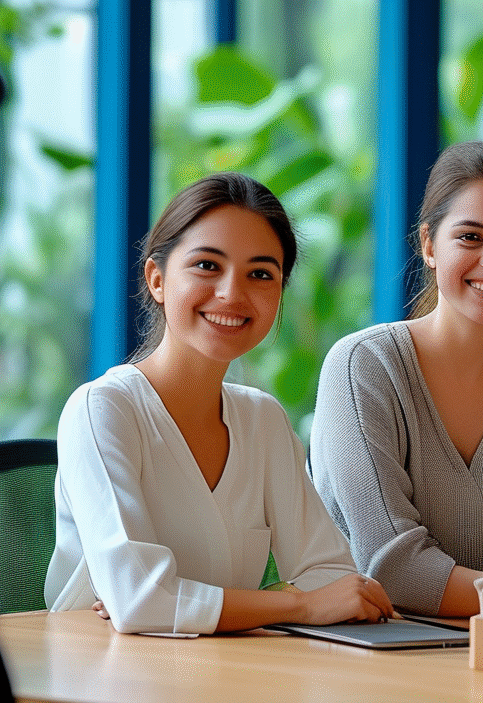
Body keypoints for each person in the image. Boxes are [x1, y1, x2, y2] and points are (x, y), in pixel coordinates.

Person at [45, 173, 394, 635]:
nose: (232, 293)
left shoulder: (262, 419)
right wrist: (300, 605)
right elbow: (141, 602)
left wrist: (183, 600)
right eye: (208, 266)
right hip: (98, 679)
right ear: (157, 279)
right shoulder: (102, 410)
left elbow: (332, 576)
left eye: (261, 274)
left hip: (219, 670)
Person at [309, 141, 483, 617]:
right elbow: (393, 569)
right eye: (470, 237)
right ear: (428, 245)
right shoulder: (363, 366)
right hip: (366, 668)